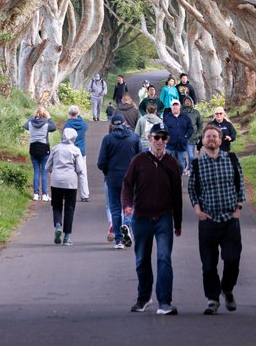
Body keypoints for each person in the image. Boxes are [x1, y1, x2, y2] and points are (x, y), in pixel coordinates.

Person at [121, 123, 182, 315]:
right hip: (141, 217)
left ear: (167, 140)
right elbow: (127, 184)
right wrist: (127, 205)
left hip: (164, 217)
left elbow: (177, 194)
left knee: (164, 258)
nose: (160, 142)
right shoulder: (139, 160)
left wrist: (178, 222)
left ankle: (164, 302)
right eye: (157, 137)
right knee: (142, 259)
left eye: (164, 138)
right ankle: (144, 297)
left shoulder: (172, 162)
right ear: (149, 137)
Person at [188, 124, 245, 314]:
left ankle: (227, 289)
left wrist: (238, 208)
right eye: (208, 137)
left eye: (215, 136)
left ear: (220, 140)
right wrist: (198, 211)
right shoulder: (197, 164)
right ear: (202, 141)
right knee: (208, 264)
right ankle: (212, 299)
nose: (211, 139)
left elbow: (240, 183)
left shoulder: (231, 158)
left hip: (230, 219)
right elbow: (192, 189)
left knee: (232, 259)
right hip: (208, 221)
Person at [97, 112, 140, 249]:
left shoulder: (108, 139)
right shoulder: (134, 138)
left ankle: (119, 240)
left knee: (115, 208)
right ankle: (126, 224)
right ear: (124, 123)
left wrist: (107, 172)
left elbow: (101, 162)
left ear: (112, 125)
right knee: (129, 205)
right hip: (130, 178)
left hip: (113, 178)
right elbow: (141, 159)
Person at [46, 127, 85, 245]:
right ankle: (67, 237)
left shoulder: (55, 148)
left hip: (56, 181)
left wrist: (55, 170)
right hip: (70, 182)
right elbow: (80, 168)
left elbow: (47, 166)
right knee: (69, 208)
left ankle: (58, 225)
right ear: (74, 138)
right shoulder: (76, 150)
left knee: (57, 206)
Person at [25, 105, 56, 200]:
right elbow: (53, 127)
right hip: (44, 149)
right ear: (44, 115)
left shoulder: (31, 123)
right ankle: (45, 195)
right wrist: (49, 117)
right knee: (44, 172)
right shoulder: (46, 124)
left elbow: (25, 125)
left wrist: (33, 116)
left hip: (33, 148)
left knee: (36, 171)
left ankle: (36, 194)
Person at [63, 105, 90, 200]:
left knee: (68, 172)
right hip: (81, 151)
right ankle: (85, 195)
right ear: (78, 113)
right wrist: (79, 115)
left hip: (69, 150)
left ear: (69, 113)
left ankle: (67, 194)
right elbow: (86, 126)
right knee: (82, 173)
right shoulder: (83, 124)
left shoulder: (67, 124)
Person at [162, 99, 193, 173]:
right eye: (173, 105)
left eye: (177, 105)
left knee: (181, 165)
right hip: (170, 146)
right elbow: (163, 129)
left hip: (181, 146)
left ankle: (179, 180)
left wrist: (186, 136)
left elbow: (190, 128)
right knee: (170, 165)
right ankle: (172, 181)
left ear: (180, 107)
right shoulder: (167, 118)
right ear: (171, 107)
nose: (175, 107)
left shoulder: (185, 117)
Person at [183, 96, 202, 169]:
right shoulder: (181, 112)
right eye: (186, 101)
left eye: (189, 101)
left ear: (191, 102)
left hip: (193, 137)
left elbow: (200, 124)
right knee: (182, 156)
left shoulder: (196, 112)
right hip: (183, 137)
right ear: (184, 103)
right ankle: (184, 166)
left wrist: (198, 134)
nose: (187, 102)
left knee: (191, 156)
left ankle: (191, 169)